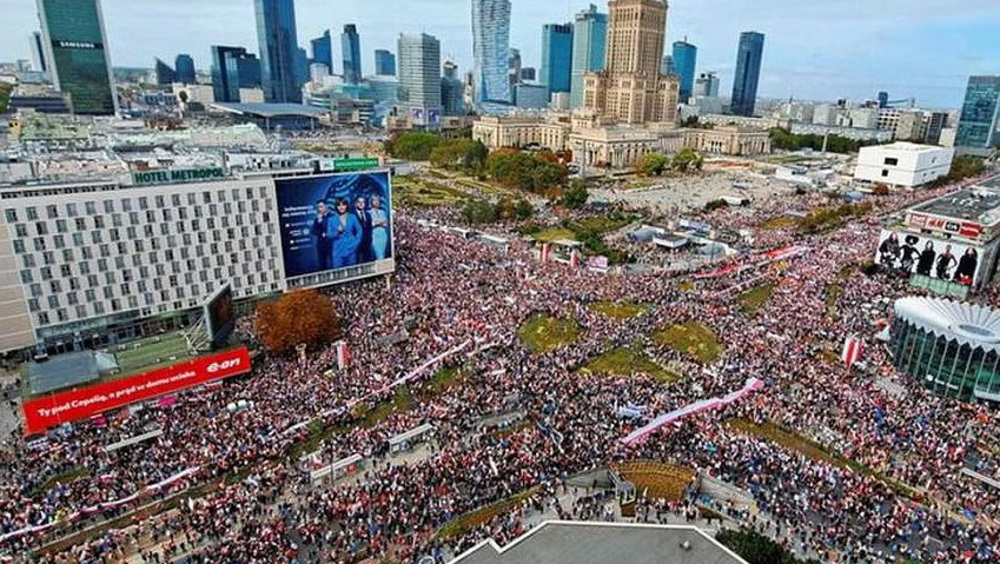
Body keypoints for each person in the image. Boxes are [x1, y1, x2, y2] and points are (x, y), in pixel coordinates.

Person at [329, 198, 361, 268]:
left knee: (352, 272)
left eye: (343, 204)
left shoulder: (353, 217)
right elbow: (329, 235)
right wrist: (337, 232)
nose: (341, 207)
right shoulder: (331, 219)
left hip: (351, 248)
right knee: (338, 273)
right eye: (339, 205)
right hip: (338, 250)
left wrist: (355, 244)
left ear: (346, 206)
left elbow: (360, 231)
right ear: (336, 207)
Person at [311, 200, 332, 270]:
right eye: (318, 207)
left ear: (326, 206)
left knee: (335, 263)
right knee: (322, 265)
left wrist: (327, 233)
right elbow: (313, 231)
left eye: (321, 207)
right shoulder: (317, 218)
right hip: (321, 245)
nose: (319, 209)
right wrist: (319, 221)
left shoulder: (332, 216)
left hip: (332, 244)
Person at [369, 194, 390, 260]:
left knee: (382, 254)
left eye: (378, 200)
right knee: (378, 254)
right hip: (374, 235)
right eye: (374, 200)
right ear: (371, 202)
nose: (376, 202)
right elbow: (371, 224)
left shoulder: (382, 212)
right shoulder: (368, 213)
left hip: (383, 235)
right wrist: (381, 222)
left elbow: (386, 224)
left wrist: (377, 222)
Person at [354, 196, 373, 264]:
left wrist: (370, 238)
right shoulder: (352, 215)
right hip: (357, 242)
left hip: (367, 242)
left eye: (363, 202)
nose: (361, 204)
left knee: (368, 261)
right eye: (359, 202)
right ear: (356, 204)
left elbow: (370, 228)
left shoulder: (368, 215)